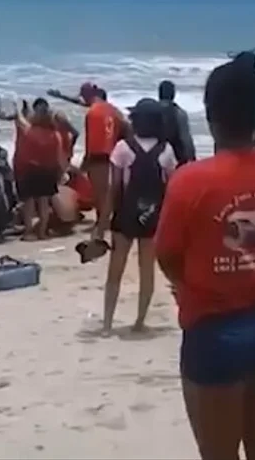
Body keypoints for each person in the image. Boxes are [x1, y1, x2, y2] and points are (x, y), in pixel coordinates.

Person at [155, 51, 255, 460]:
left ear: (210, 114)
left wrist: (186, 286)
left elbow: (167, 254)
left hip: (217, 328)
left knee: (218, 452)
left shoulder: (190, 181)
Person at [94, 98, 177, 336]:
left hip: (125, 216)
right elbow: (171, 189)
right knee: (146, 271)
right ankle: (139, 322)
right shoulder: (167, 150)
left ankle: (107, 324)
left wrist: (102, 223)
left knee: (115, 270)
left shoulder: (122, 148)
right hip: (153, 217)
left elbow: (114, 188)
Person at [15, 98, 67, 240]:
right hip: (48, 171)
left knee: (29, 203)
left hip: (31, 170)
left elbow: (20, 121)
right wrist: (61, 173)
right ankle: (42, 232)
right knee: (44, 203)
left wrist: (18, 111)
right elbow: (59, 158)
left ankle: (29, 232)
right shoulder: (55, 135)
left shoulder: (30, 131)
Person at [81, 86, 125, 232]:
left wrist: (85, 160)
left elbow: (90, 139)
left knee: (99, 192)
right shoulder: (112, 110)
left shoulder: (92, 112)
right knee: (108, 191)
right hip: (112, 154)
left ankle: (102, 222)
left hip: (97, 154)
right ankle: (106, 220)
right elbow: (126, 127)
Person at [158, 80, 196, 165]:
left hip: (155, 156)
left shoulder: (152, 111)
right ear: (173, 95)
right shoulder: (180, 113)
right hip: (176, 157)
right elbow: (186, 139)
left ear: (159, 94)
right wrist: (192, 158)